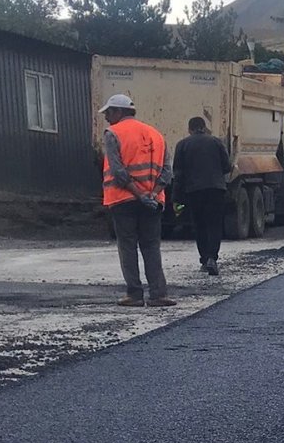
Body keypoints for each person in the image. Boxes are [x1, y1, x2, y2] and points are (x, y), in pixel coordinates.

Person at [99, 94, 176, 307]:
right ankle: (158, 294)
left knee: (128, 246)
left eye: (108, 112)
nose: (106, 117)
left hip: (123, 200)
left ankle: (134, 294)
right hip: (153, 201)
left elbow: (118, 172)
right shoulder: (157, 135)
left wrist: (138, 194)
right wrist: (151, 193)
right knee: (151, 246)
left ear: (118, 112)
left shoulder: (113, 133)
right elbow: (167, 172)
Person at [173, 116, 232, 276]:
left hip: (194, 191)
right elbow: (227, 167)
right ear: (204, 127)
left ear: (190, 129)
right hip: (216, 189)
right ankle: (213, 258)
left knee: (199, 225)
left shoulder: (182, 145)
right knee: (214, 224)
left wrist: (176, 197)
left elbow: (178, 173)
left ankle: (204, 258)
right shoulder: (216, 142)